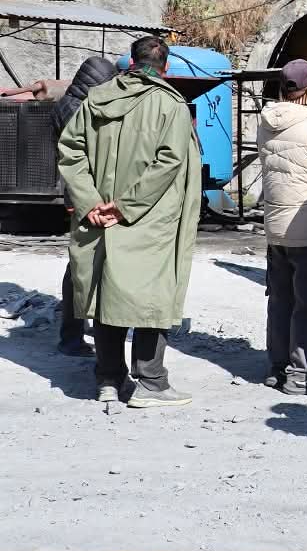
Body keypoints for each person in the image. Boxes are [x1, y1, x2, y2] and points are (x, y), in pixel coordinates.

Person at [57, 36, 203, 408]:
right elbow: (169, 162)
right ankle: (151, 382)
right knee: (152, 297)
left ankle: (108, 379)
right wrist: (126, 207)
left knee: (106, 294)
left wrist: (90, 201)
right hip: (149, 219)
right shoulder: (170, 104)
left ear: (131, 63)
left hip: (98, 217)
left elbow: (71, 151)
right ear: (165, 67)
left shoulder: (95, 99)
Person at [256, 59, 307, 396]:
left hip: (276, 226)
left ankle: (277, 368)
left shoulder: (265, 124)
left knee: (280, 300)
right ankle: (301, 374)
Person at [50, 54, 119, 357]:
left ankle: (79, 328)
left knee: (81, 265)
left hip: (79, 193)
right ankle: (71, 337)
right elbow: (82, 158)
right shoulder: (76, 110)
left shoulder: (67, 103)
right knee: (81, 268)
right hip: (84, 196)